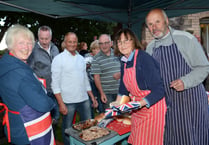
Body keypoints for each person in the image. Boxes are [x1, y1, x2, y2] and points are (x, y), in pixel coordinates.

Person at [145, 8, 209, 145]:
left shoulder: (186, 39)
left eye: (157, 22)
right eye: (150, 24)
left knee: (194, 140)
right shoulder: (150, 48)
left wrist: (185, 81)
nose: (154, 27)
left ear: (166, 21)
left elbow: (204, 67)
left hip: (191, 103)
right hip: (168, 107)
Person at [0, 24, 55, 145]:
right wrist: (52, 102)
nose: (27, 47)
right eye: (21, 43)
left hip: (17, 126)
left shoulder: (7, 64)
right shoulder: (19, 73)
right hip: (29, 133)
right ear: (10, 45)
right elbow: (42, 104)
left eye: (30, 43)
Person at [113, 28, 166, 145]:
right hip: (137, 109)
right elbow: (123, 88)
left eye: (126, 40)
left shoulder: (143, 58)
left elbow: (160, 89)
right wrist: (117, 103)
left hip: (153, 108)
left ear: (134, 41)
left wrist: (139, 103)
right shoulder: (124, 61)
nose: (123, 45)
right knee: (137, 140)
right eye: (119, 42)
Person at [51, 32, 98, 145]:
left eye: (74, 41)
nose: (72, 44)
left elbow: (85, 80)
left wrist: (92, 97)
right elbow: (55, 84)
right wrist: (61, 104)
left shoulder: (81, 59)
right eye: (69, 41)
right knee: (68, 129)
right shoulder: (58, 59)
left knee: (89, 126)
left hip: (84, 99)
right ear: (65, 43)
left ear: (77, 43)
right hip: (68, 101)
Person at [27, 26, 60, 124]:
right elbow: (29, 70)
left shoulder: (55, 48)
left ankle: (54, 132)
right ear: (38, 37)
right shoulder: (33, 50)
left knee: (56, 117)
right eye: (42, 38)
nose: (44, 41)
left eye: (47, 38)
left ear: (51, 37)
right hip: (42, 90)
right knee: (45, 119)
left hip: (56, 88)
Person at [91, 34, 121, 110]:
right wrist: (102, 93)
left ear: (111, 43)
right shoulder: (96, 59)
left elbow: (126, 68)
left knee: (123, 114)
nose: (104, 45)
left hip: (121, 91)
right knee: (110, 115)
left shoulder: (118, 54)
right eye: (101, 43)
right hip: (107, 93)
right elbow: (96, 77)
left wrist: (121, 74)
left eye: (106, 43)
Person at [84, 40, 104, 116]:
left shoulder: (102, 57)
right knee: (91, 102)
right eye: (94, 49)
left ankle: (102, 115)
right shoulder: (88, 57)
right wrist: (87, 66)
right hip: (90, 83)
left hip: (99, 82)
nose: (96, 51)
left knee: (101, 100)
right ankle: (91, 118)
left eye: (98, 49)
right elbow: (83, 67)